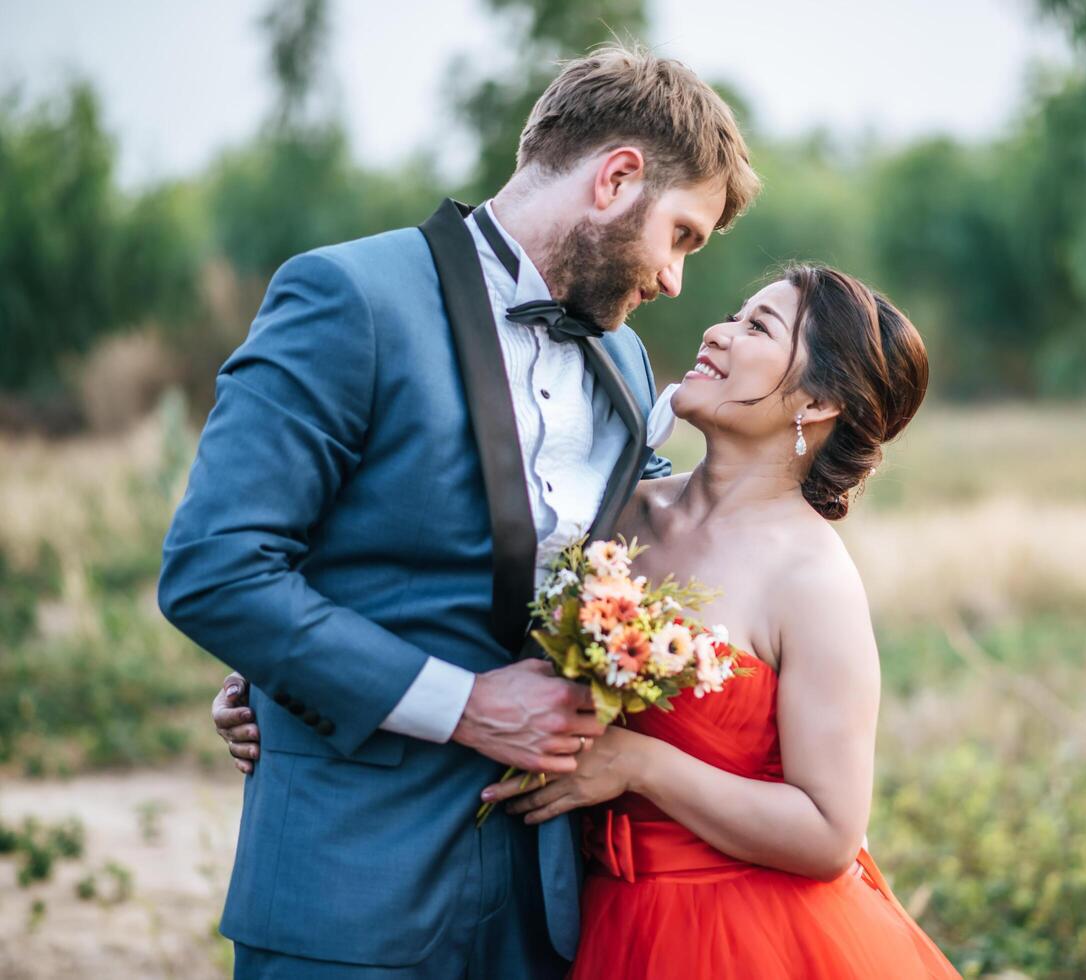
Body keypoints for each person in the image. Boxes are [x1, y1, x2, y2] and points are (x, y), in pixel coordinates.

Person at [160, 43, 759, 979]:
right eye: (679, 235)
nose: (676, 279)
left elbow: (649, 571)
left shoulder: (628, 363)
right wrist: (460, 704)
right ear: (617, 179)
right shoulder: (348, 297)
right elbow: (216, 569)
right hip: (351, 883)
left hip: (550, 897)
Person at [216, 266, 961, 977]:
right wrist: (283, 677)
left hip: (743, 932)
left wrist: (639, 766)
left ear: (816, 402)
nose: (716, 332)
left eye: (757, 327)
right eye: (734, 315)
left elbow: (829, 833)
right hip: (595, 916)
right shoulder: (618, 509)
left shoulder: (812, 578)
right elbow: (438, 591)